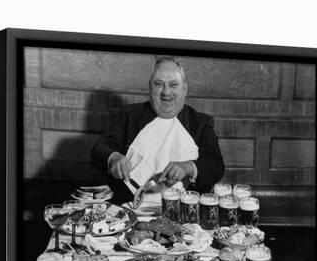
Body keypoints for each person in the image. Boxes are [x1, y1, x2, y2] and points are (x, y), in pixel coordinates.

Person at [91, 56, 225, 204]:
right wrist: (114, 158)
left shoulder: (201, 122)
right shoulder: (130, 114)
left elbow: (216, 166)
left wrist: (188, 167)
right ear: (150, 87)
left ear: (184, 89)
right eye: (159, 84)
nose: (166, 92)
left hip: (183, 209)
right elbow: (100, 148)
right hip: (129, 206)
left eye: (174, 85)